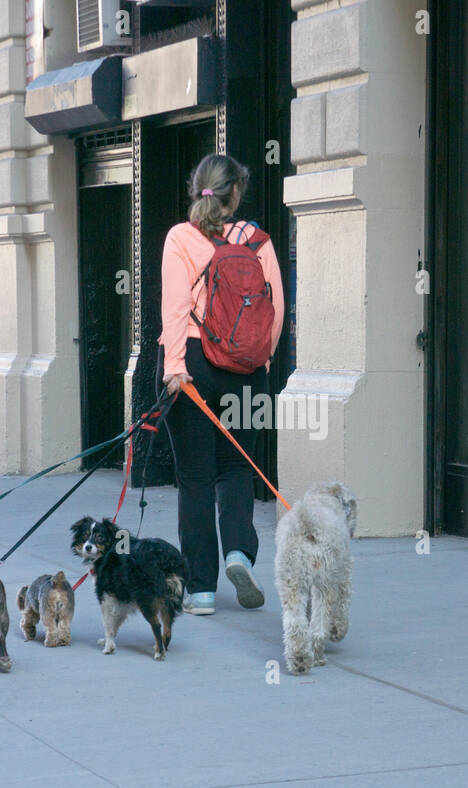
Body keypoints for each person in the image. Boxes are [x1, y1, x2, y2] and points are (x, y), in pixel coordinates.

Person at [158, 154, 286, 616]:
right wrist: (261, 362)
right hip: (246, 371)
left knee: (195, 479)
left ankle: (201, 591)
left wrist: (175, 366)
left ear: (198, 189)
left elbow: (174, 307)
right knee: (237, 468)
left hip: (193, 363)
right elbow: (276, 310)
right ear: (236, 194)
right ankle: (238, 552)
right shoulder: (257, 241)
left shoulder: (181, 238)